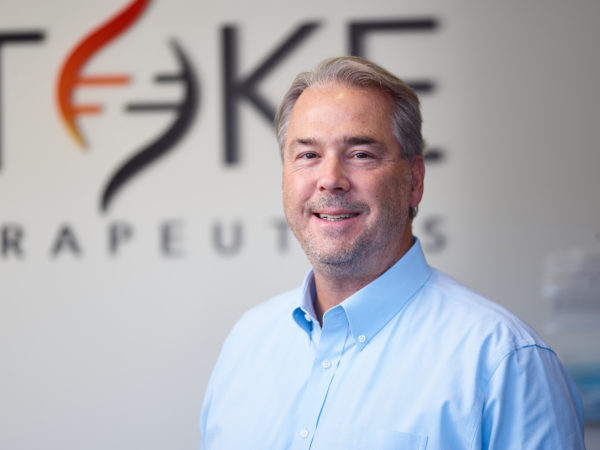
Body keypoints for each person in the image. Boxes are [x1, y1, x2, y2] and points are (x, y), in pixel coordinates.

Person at [199, 56, 585, 449]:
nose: (330, 179)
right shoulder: (247, 343)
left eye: (361, 154)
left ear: (414, 180)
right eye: (308, 155)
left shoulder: (505, 361)